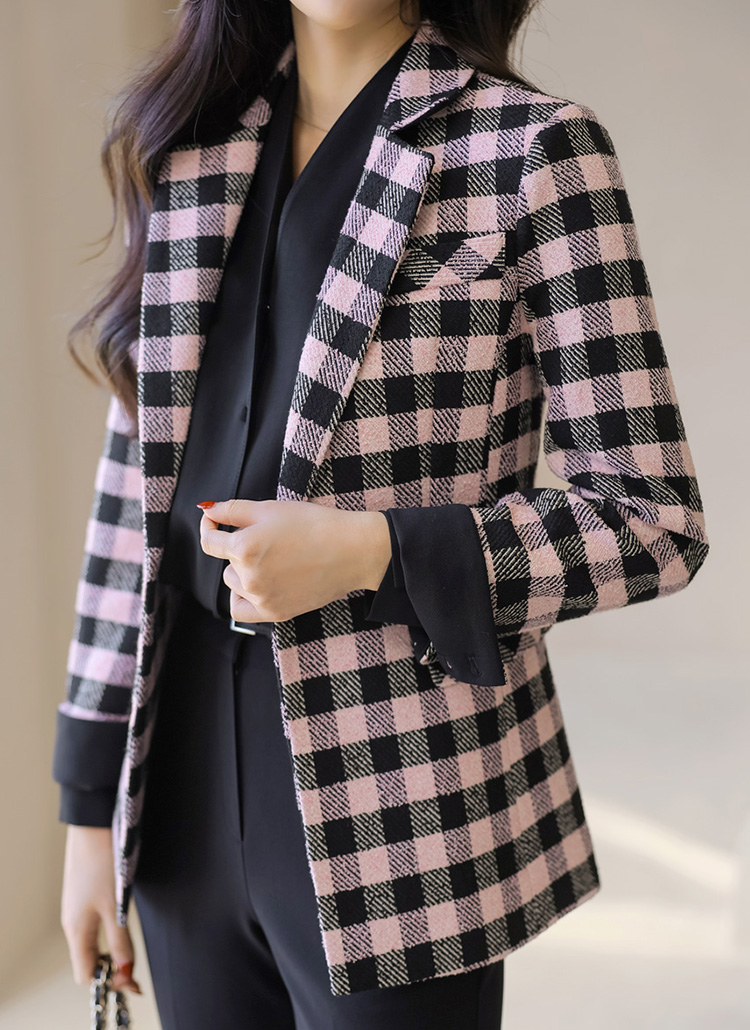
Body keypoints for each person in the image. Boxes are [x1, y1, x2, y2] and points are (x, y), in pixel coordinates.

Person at [53, 1, 710, 1027]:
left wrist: (375, 550)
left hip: (401, 797)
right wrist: (91, 814)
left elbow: (653, 518)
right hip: (179, 766)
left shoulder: (534, 150)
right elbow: (127, 495)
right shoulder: (189, 142)